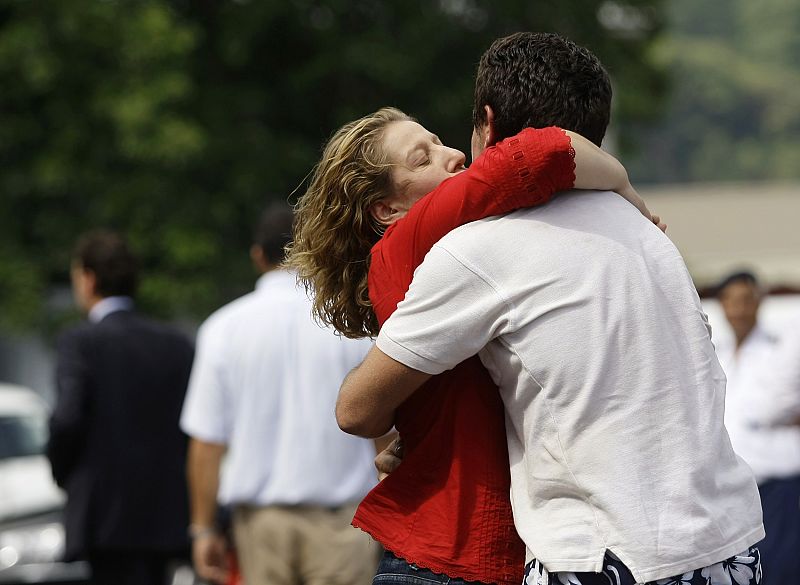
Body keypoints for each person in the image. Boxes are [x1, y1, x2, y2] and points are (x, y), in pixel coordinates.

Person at [335, 32, 765, 585]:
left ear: (488, 122)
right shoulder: (650, 237)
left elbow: (358, 409)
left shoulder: (482, 249)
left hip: (604, 555)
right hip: (726, 543)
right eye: (424, 156)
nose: (455, 155)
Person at [289, 102, 656, 584]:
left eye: (440, 140)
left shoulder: (450, 253)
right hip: (454, 558)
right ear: (388, 209)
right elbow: (544, 150)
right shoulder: (414, 235)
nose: (454, 156)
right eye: (423, 159)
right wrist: (628, 193)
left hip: (455, 550)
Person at [180, 203, 380, 585]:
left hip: (261, 524)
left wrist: (203, 529)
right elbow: (382, 428)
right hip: (344, 521)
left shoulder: (223, 328)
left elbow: (207, 443)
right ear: (315, 247)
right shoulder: (354, 322)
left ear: (257, 256)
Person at [47, 230, 194, 585]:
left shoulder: (80, 343)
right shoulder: (176, 345)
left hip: (104, 517)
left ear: (88, 279)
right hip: (166, 512)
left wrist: (65, 473)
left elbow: (67, 420)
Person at [715, 270, 800, 584]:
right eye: (731, 301)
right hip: (731, 492)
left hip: (778, 485)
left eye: (745, 300)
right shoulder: (717, 354)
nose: (738, 309)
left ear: (758, 302)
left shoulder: (779, 350)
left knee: (782, 572)